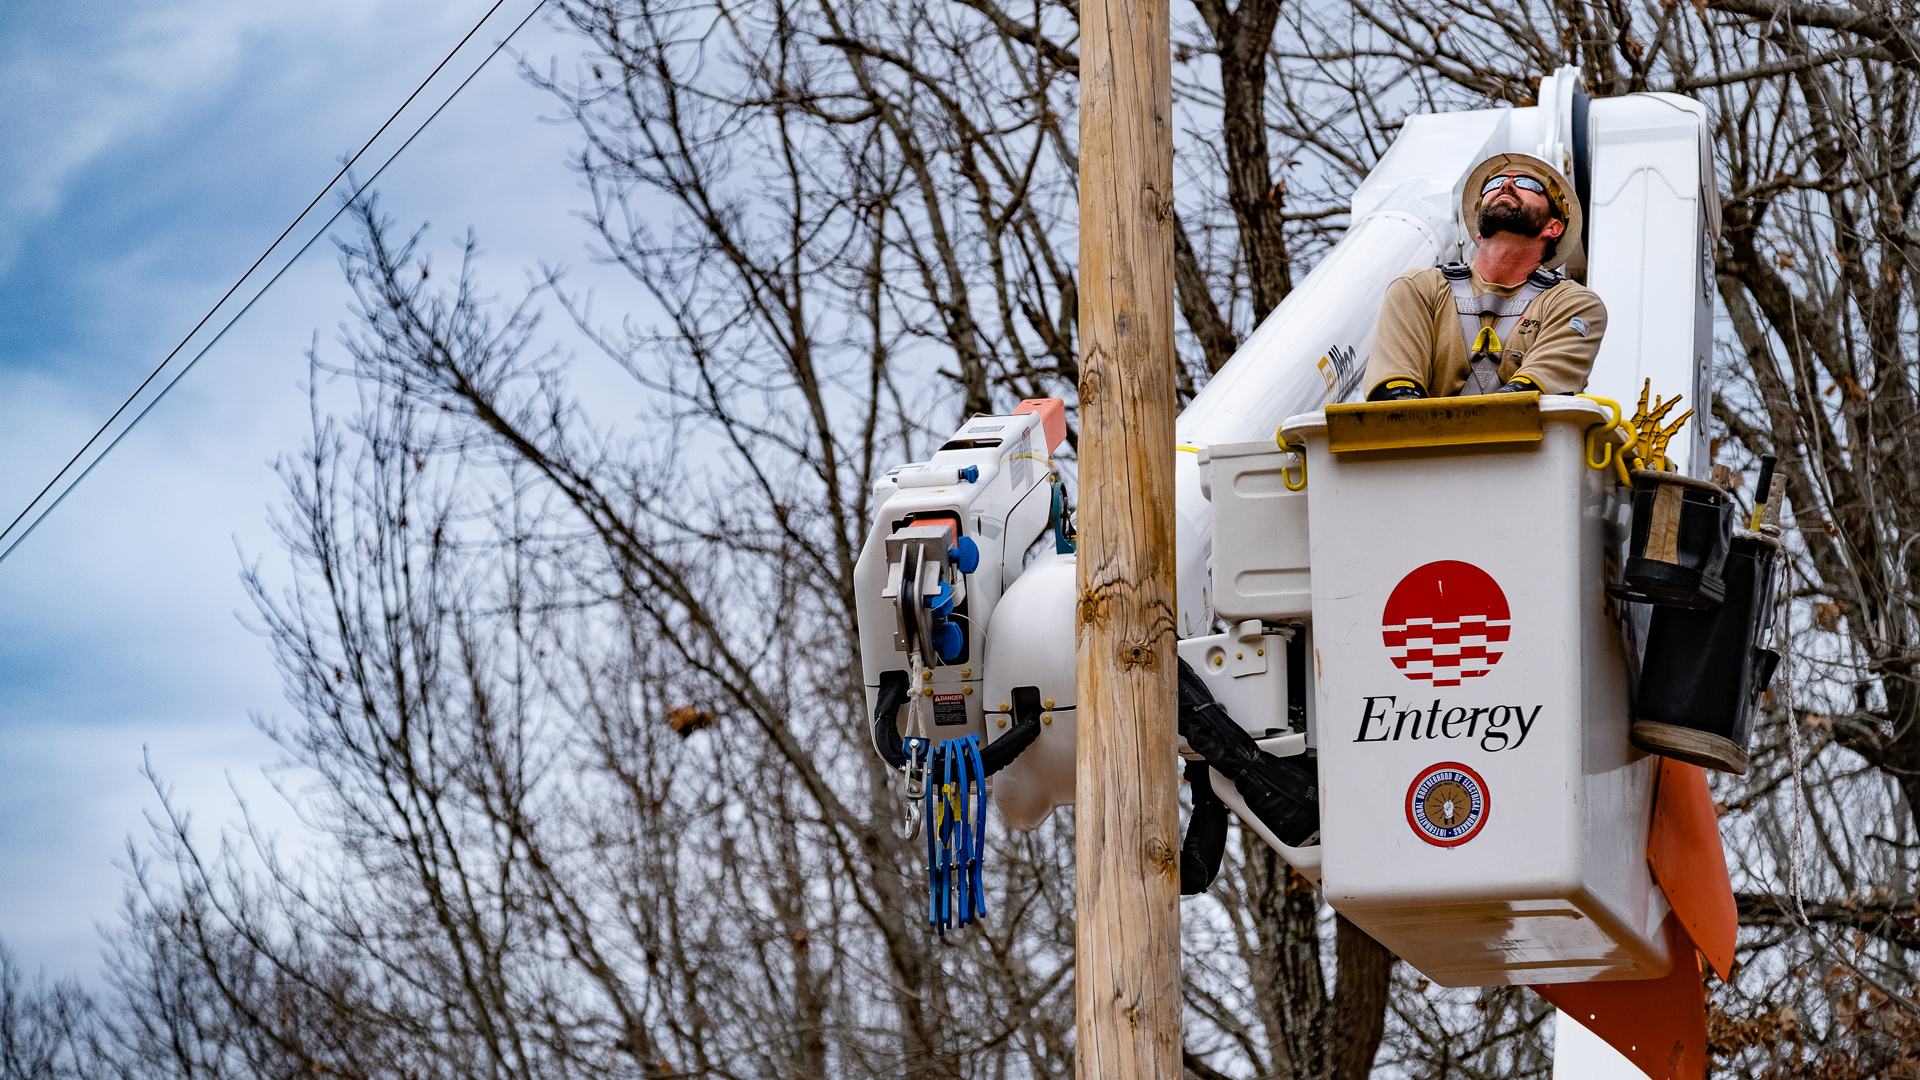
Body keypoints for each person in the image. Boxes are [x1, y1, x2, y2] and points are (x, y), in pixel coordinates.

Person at [1362, 153, 1606, 401]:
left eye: (1528, 184)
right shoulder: (1422, 288)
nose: (1506, 185)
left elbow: (1527, 401)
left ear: (1552, 227)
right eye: (1493, 184)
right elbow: (1393, 401)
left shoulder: (1572, 304)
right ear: (1479, 228)